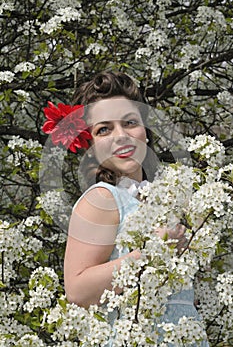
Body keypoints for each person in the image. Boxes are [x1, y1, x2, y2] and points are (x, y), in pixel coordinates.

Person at [63, 71, 209, 346]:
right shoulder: (103, 198)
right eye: (104, 129)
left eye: (130, 123)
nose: (121, 136)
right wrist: (154, 250)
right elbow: (78, 290)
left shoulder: (163, 200)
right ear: (91, 146)